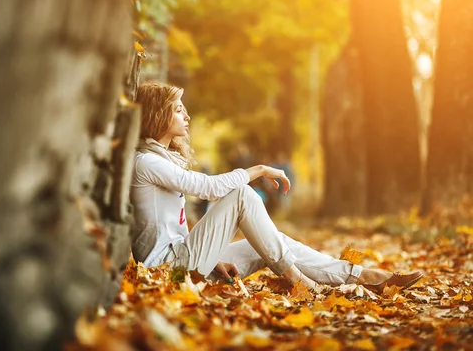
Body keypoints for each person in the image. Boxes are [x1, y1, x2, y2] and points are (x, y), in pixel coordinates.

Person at [130, 81, 423, 293]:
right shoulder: (146, 163)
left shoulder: (161, 159)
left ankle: (362, 276)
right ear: (158, 114)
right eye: (179, 110)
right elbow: (208, 188)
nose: (187, 116)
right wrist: (258, 170)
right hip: (168, 273)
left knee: (273, 242)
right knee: (242, 194)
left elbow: (173, 232)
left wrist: (214, 259)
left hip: (181, 262)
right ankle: (302, 282)